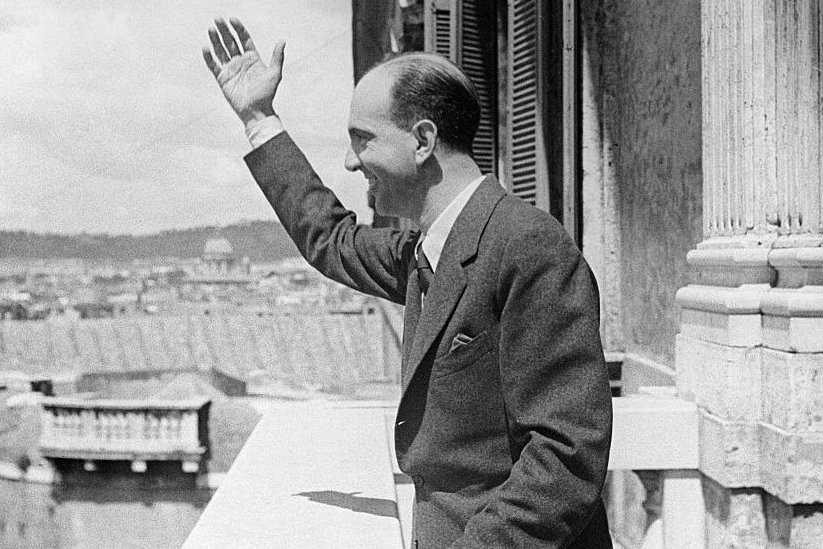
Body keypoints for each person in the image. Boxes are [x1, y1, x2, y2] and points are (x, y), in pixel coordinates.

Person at [203, 18, 613, 548]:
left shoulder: (527, 247)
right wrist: (260, 119)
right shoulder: (430, 252)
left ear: (423, 140)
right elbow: (332, 240)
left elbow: (566, 455)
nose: (351, 161)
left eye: (363, 140)